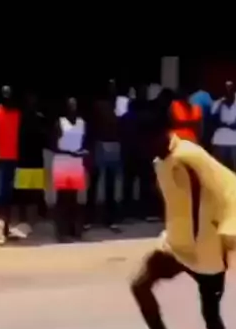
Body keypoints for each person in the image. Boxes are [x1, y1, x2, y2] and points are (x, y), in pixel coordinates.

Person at [119, 109, 236, 329]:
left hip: (206, 249)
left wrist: (230, 230)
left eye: (144, 140)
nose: (141, 147)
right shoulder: (159, 162)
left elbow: (234, 189)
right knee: (140, 284)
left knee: (210, 313)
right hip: (176, 244)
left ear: (160, 134)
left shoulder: (190, 156)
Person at [86, 79, 123, 232]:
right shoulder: (99, 105)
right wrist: (91, 148)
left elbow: (123, 125)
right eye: (110, 86)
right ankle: (89, 217)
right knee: (94, 181)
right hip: (100, 144)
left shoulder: (120, 105)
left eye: (115, 87)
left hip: (115, 145)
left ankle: (110, 218)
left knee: (110, 184)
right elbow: (92, 127)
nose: (112, 90)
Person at [0, 85, 21, 242]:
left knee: (9, 195)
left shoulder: (16, 113)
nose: (7, 96)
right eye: (5, 93)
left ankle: (6, 229)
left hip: (12, 157)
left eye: (9, 94)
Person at [52, 97, 88, 241]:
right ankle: (61, 231)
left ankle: (73, 229)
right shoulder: (60, 122)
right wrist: (70, 152)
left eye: (75, 105)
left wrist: (83, 152)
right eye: (70, 105)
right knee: (62, 197)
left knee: (74, 197)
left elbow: (84, 142)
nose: (73, 107)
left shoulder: (81, 123)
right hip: (62, 161)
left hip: (76, 162)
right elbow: (53, 145)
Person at [121, 85, 159, 221]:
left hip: (137, 150)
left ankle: (131, 211)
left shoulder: (132, 112)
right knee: (140, 182)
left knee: (135, 182)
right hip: (140, 150)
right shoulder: (148, 112)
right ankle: (139, 211)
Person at [16, 92, 46, 228]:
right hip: (24, 156)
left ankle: (41, 211)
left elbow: (44, 136)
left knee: (38, 186)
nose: (32, 103)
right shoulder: (20, 117)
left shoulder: (39, 117)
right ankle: (23, 214)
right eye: (30, 101)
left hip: (35, 156)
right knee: (23, 188)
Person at [211, 81, 236, 171]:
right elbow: (215, 123)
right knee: (218, 170)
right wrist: (220, 106)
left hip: (234, 142)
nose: (228, 91)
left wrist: (224, 124)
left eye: (231, 89)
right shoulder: (217, 104)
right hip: (219, 142)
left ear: (234, 90)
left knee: (232, 170)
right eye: (226, 89)